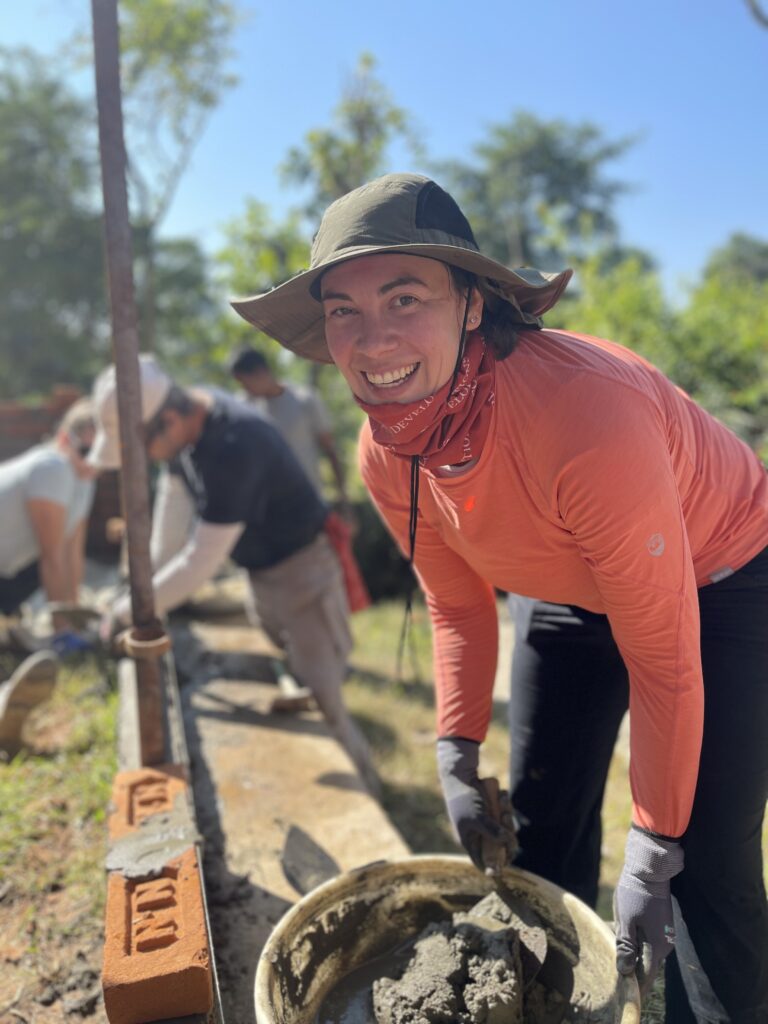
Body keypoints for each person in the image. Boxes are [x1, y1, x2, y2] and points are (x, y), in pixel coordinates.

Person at [229, 172, 768, 1021]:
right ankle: (543, 1001)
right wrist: (455, 747)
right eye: (345, 311)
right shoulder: (384, 453)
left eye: (406, 298)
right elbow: (458, 606)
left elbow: (663, 658)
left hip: (723, 576)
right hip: (564, 589)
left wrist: (653, 843)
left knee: (705, 859)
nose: (373, 342)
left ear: (474, 305)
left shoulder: (586, 416)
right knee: (542, 826)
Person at [87, 355, 378, 793]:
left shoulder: (233, 445)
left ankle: (369, 804)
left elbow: (199, 562)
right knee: (296, 674)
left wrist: (127, 611)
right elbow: (171, 524)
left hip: (303, 573)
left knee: (324, 694)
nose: (144, 459)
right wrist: (137, 588)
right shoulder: (186, 432)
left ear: (167, 419)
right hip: (261, 572)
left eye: (142, 446)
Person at [0, 398, 98, 757]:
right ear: (66, 438)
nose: (94, 459)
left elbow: (73, 555)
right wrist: (62, 631)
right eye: (88, 449)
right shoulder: (53, 467)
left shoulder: (82, 480)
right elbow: (53, 556)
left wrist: (74, 622)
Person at [229, 346, 350, 514]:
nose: (245, 389)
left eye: (245, 383)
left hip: (309, 503)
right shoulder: (244, 407)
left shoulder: (304, 400)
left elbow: (330, 451)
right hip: (269, 509)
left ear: (260, 372)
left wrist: (344, 502)